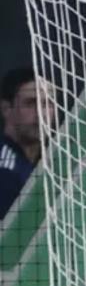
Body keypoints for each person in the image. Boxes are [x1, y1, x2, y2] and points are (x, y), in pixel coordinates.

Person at [0, 68, 44, 223]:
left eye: (47, 104)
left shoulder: (51, 163)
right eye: (30, 103)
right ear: (6, 109)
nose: (41, 113)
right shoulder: (5, 170)